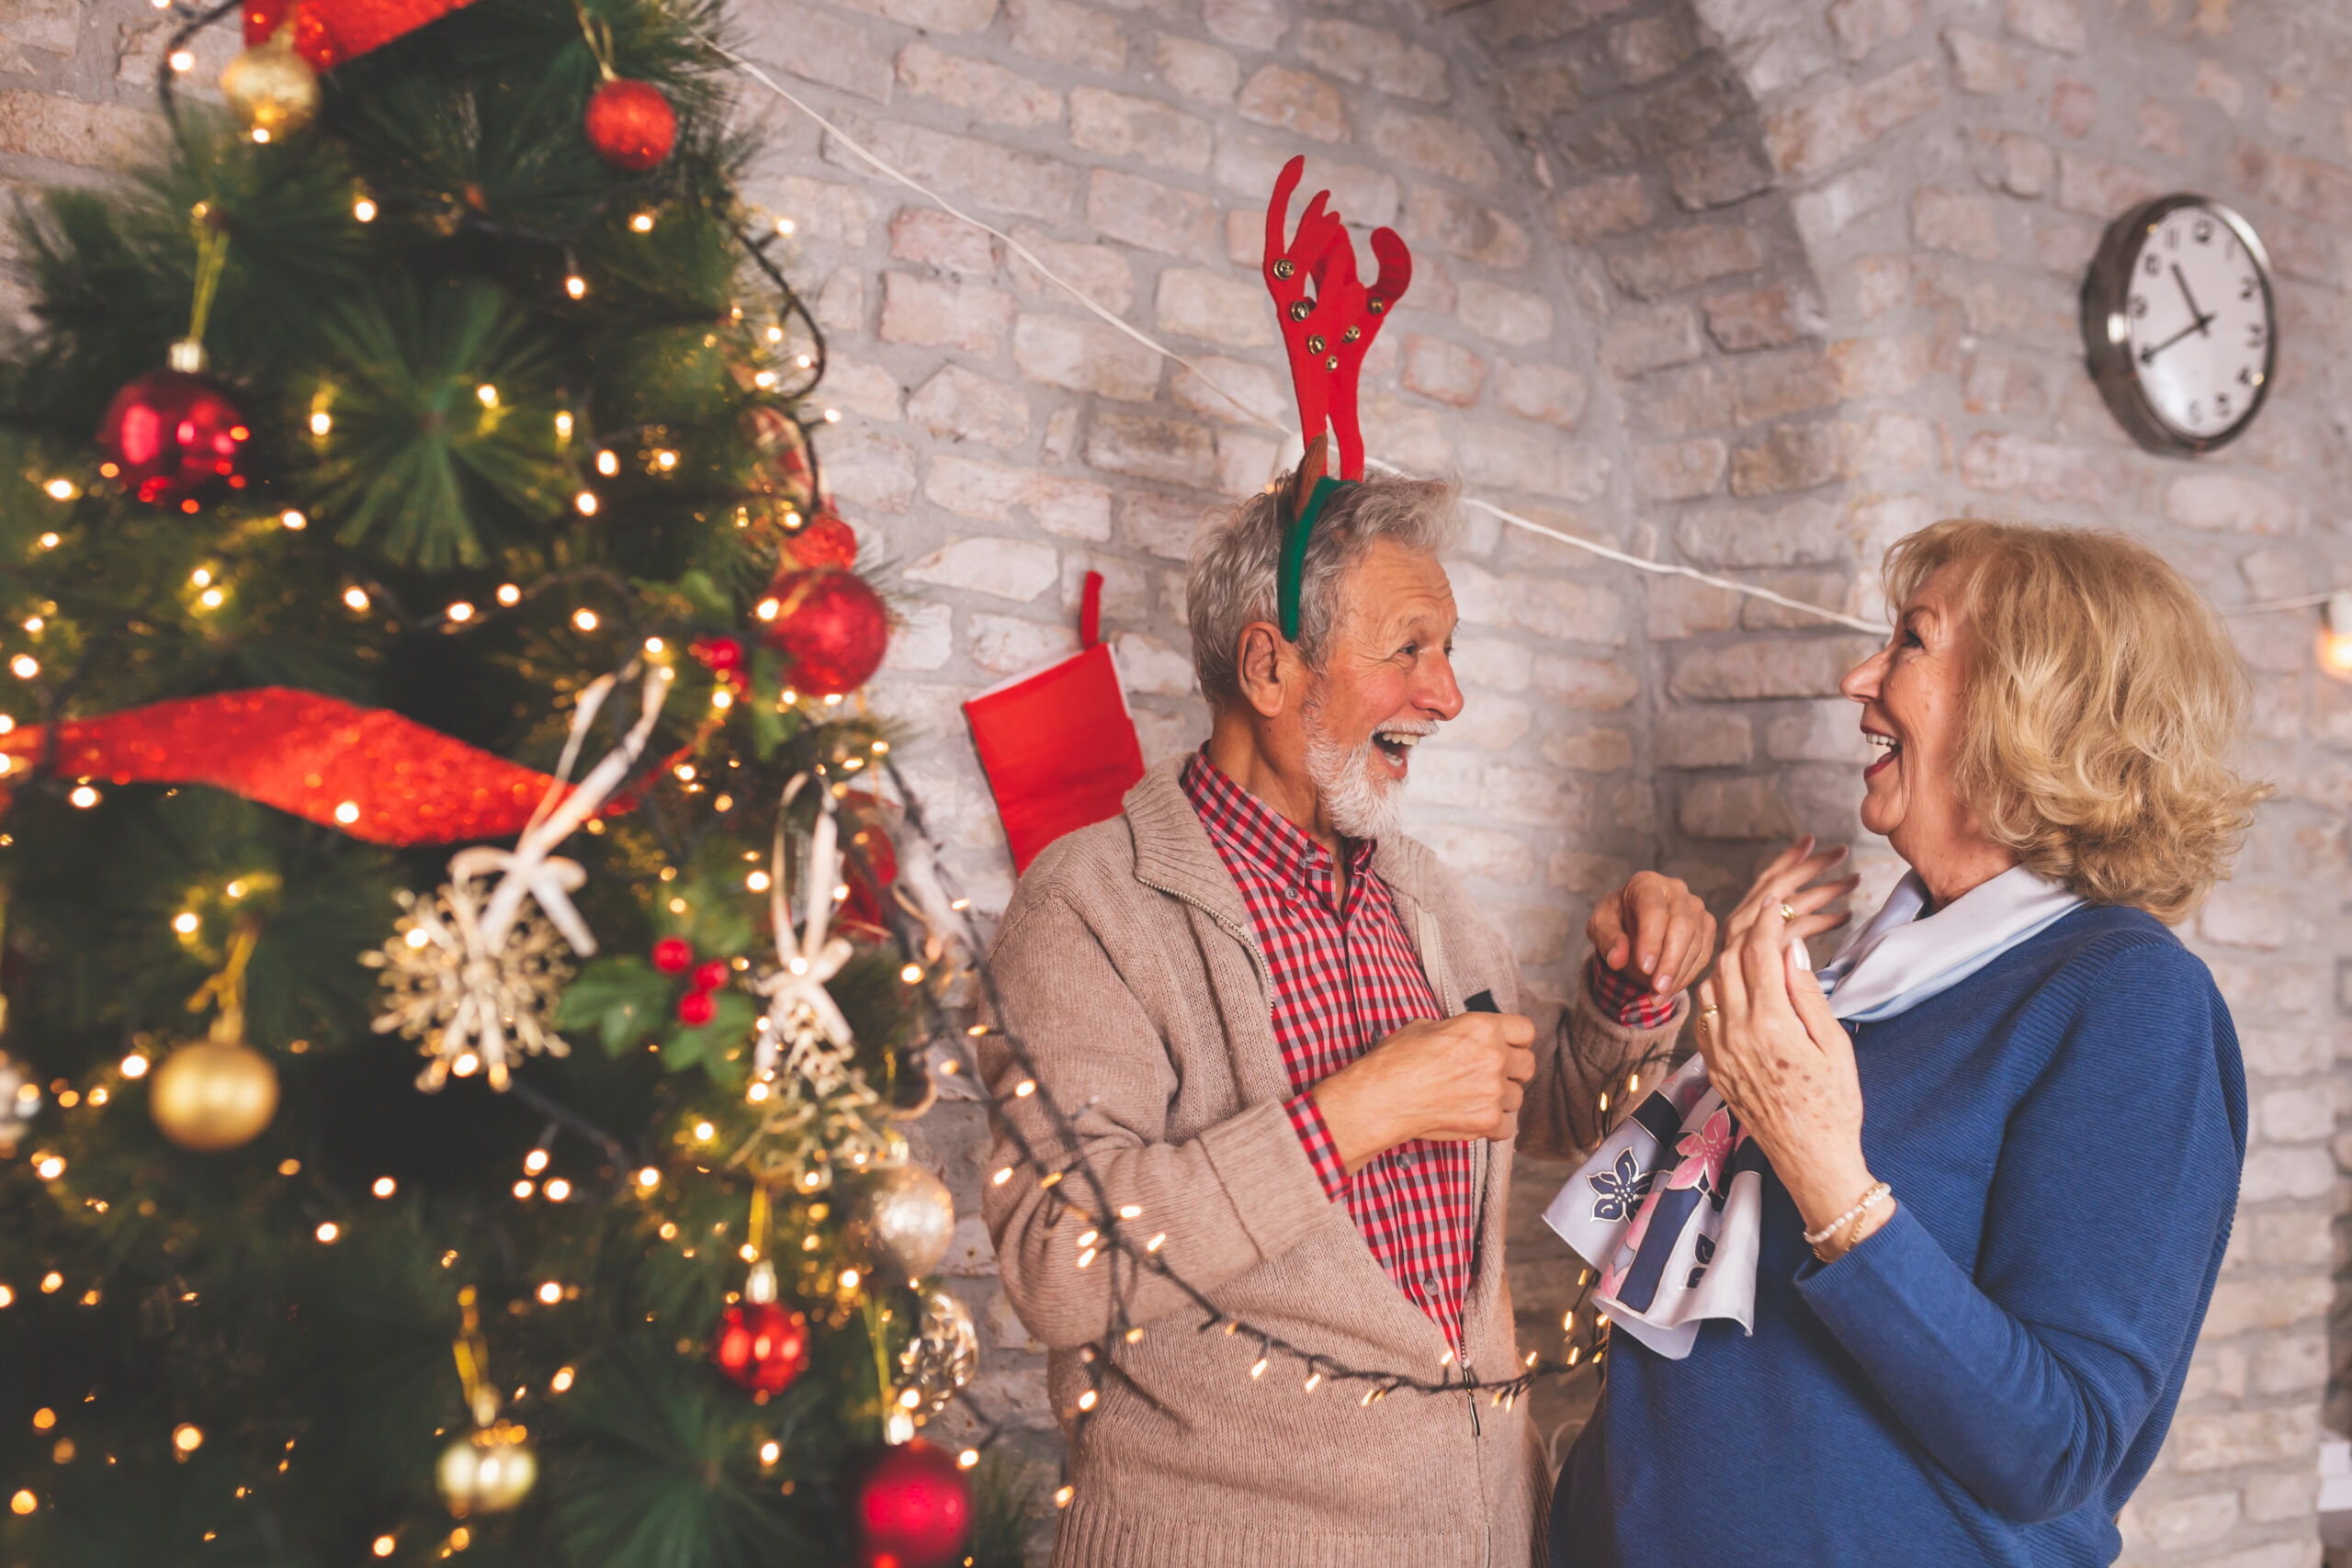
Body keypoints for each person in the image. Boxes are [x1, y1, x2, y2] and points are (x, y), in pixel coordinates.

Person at [981, 471, 1713, 1568]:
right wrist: (1351, 1115)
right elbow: (1059, 1261)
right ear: (1270, 666)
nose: (1448, 695)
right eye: (1409, 649)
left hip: (1485, 1534)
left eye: (1447, 651)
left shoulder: (1424, 897)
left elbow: (1546, 1111)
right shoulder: (1088, 904)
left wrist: (1627, 993)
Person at [1551, 519, 2265, 1567]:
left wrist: (1818, 1161)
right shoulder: (1869, 976)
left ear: (2032, 701)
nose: (1857, 676)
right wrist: (1684, 1006)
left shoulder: (2127, 998)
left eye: (1910, 643)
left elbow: (2054, 1448)